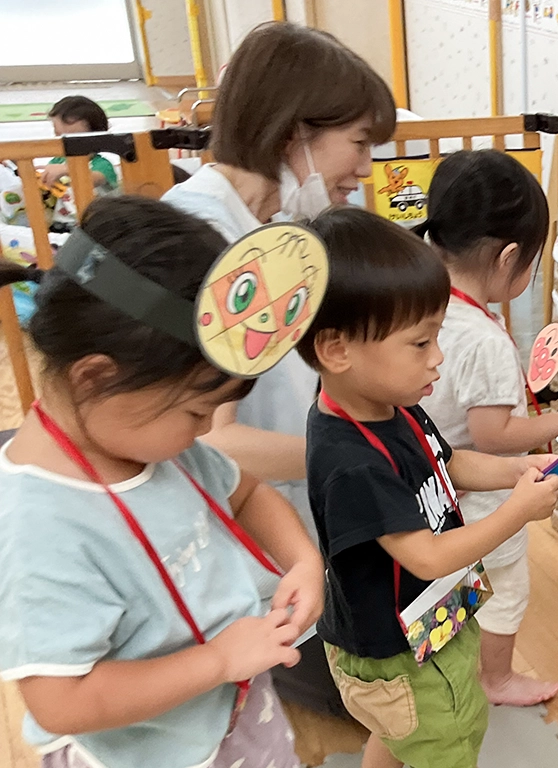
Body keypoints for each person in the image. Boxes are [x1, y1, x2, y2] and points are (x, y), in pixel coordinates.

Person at [0, 197, 327, 768]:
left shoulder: (154, 445)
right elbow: (63, 699)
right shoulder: (40, 526)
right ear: (96, 376)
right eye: (194, 408)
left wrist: (302, 559)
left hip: (226, 716)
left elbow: (246, 491)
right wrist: (217, 657)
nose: (205, 426)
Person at [300, 208, 558, 768]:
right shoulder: (351, 458)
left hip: (427, 617)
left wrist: (515, 470)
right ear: (337, 349)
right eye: (420, 343)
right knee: (447, 719)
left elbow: (448, 464)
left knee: (399, 726)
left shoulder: (394, 407)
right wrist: (516, 513)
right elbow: (424, 556)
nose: (438, 359)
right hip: (393, 642)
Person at [163, 20, 396, 718]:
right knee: (371, 689)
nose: (364, 168)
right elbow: (210, 443)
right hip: (255, 541)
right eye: (357, 143)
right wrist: (361, 462)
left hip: (298, 512)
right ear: (294, 134)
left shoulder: (271, 226)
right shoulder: (206, 238)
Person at [416, 150, 558, 706]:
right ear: (509, 258)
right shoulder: (486, 339)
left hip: (431, 494)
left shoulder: (422, 306)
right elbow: (494, 433)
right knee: (503, 590)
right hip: (480, 496)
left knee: (449, 590)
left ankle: (436, 677)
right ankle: (493, 679)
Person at [41, 96, 119, 190]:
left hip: (97, 204)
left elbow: (95, 179)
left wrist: (68, 169)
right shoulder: (58, 161)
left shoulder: (102, 165)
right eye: (59, 136)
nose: (67, 144)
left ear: (97, 139)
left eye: (76, 139)